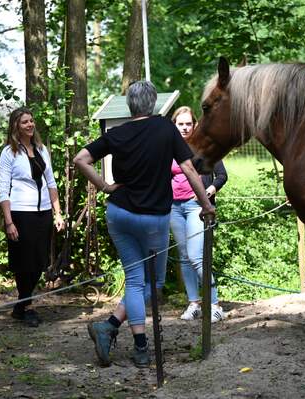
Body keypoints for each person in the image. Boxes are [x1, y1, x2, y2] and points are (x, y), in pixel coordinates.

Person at [74, 81, 215, 368]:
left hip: (119, 213)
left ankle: (130, 341)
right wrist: (206, 204)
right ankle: (116, 330)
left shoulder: (117, 133)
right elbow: (189, 169)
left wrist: (104, 186)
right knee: (153, 282)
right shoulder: (165, 128)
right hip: (153, 219)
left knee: (136, 282)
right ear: (152, 104)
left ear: (129, 105)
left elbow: (81, 159)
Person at [0, 107, 65, 327]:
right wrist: (8, 221)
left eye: (31, 121)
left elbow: (51, 183)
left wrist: (57, 213)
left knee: (39, 261)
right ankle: (26, 307)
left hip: (43, 211)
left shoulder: (42, 149)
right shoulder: (9, 153)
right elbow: (3, 188)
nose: (29, 125)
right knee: (24, 262)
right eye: (24, 121)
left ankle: (20, 305)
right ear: (16, 125)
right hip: (20, 212)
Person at [170, 106, 227, 323]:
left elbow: (221, 175)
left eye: (188, 124)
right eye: (180, 124)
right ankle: (193, 304)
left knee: (196, 257)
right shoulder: (168, 148)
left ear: (194, 125)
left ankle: (215, 305)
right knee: (184, 257)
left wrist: (208, 192)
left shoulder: (203, 148)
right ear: (174, 126)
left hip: (196, 207)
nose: (184, 128)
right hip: (174, 208)